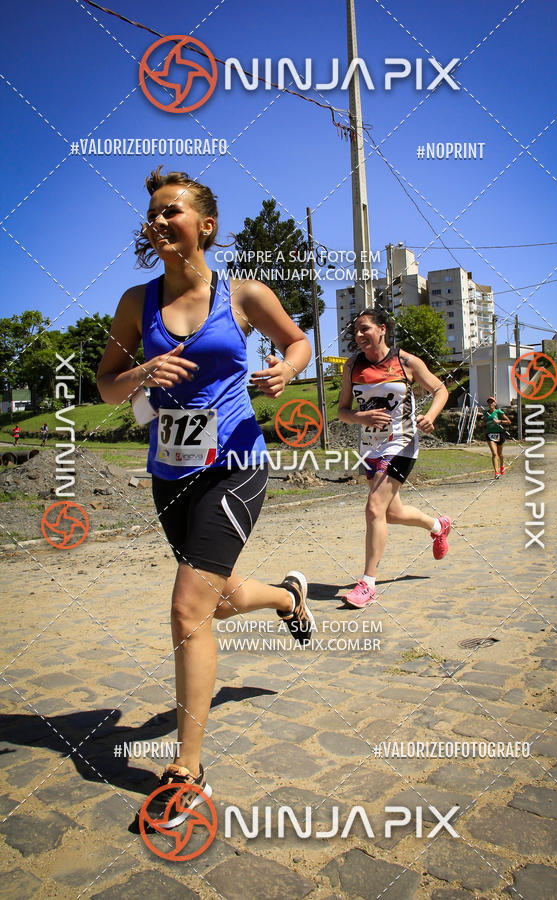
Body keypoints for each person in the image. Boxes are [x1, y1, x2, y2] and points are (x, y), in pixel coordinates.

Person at [97, 168, 313, 827]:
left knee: (187, 605)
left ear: (205, 226)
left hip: (236, 463)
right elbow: (107, 387)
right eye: (153, 213)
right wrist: (140, 370)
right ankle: (286, 596)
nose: (159, 221)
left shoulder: (242, 293)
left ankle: (186, 772)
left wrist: (286, 369)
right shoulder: (137, 302)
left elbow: (297, 341)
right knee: (217, 601)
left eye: (173, 212)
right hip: (171, 474)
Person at [337, 308, 452, 608]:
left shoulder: (406, 362)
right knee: (390, 513)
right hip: (369, 447)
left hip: (401, 444)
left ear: (382, 329)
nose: (359, 335)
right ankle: (438, 526)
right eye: (356, 331)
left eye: (365, 329)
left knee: (374, 508)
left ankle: (368, 584)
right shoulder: (351, 366)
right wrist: (360, 416)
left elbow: (441, 390)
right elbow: (342, 411)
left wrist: (431, 415)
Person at [483, 396, 510, 478]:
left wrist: (500, 421)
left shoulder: (499, 412)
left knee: (500, 454)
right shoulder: (486, 413)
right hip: (490, 434)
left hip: (499, 434)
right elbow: (483, 422)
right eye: (489, 402)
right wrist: (483, 424)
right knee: (494, 454)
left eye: (492, 402)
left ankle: (502, 466)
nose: (490, 404)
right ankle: (496, 472)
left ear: (495, 403)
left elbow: (509, 421)